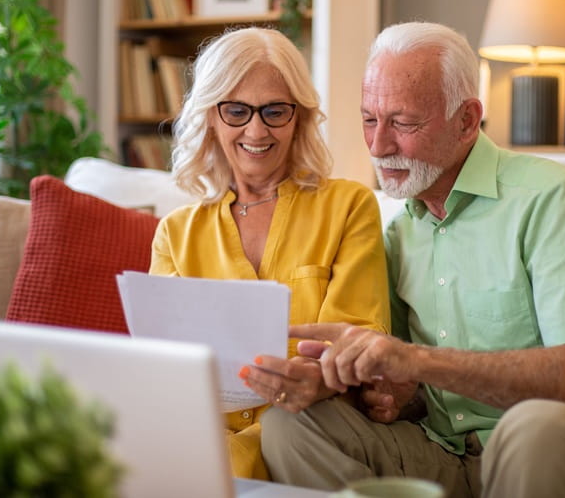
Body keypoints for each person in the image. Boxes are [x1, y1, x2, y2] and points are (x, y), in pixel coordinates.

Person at [260, 22, 565, 498]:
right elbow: (413, 389)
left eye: (403, 123)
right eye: (368, 119)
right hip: (447, 453)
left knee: (534, 427)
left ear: (467, 120)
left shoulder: (553, 198)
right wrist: (392, 393)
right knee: (290, 425)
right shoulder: (400, 231)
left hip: (562, 452)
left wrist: (417, 360)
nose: (379, 146)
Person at [149, 27, 390, 480]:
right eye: (237, 111)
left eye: (275, 111)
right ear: (211, 117)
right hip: (198, 439)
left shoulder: (349, 207)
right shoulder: (175, 234)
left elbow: (361, 339)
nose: (256, 130)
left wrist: (321, 374)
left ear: (298, 117)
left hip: (303, 434)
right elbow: (164, 365)